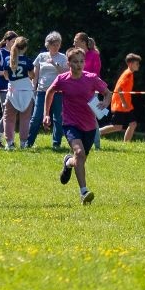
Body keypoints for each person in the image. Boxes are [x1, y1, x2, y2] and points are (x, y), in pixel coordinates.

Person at [43, 47, 110, 205]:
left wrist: (105, 103)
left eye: (81, 61)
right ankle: (84, 192)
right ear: (68, 63)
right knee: (79, 153)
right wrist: (46, 114)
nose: (79, 65)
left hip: (89, 125)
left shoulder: (91, 78)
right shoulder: (62, 79)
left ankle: (68, 162)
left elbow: (107, 93)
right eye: (75, 62)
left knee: (80, 159)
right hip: (70, 123)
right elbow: (49, 92)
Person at [23, 32, 68, 149]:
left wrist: (54, 64)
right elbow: (35, 75)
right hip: (42, 91)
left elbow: (65, 73)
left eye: (58, 44)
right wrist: (33, 87)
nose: (56, 47)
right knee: (36, 117)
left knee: (58, 118)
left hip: (58, 92)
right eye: (54, 44)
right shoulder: (41, 56)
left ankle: (56, 144)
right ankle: (28, 143)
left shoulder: (63, 57)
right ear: (48, 45)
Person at [1, 36, 33, 150]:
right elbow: (32, 75)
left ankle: (9, 143)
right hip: (26, 91)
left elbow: (6, 76)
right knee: (25, 118)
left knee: (8, 118)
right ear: (25, 48)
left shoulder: (7, 59)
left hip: (13, 91)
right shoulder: (28, 60)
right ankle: (23, 143)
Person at [100, 53, 140, 142]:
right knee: (117, 126)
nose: (138, 65)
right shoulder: (127, 74)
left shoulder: (130, 74)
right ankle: (96, 133)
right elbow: (119, 89)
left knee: (133, 124)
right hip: (121, 105)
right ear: (130, 64)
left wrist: (126, 103)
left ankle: (126, 144)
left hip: (126, 105)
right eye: (137, 63)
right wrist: (124, 102)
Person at [0, 31, 17, 148]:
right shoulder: (0, 53)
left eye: (16, 41)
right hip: (4, 86)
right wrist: (5, 73)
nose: (15, 44)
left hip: (15, 86)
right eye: (13, 41)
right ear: (6, 41)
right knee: (6, 113)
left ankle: (10, 140)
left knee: (12, 114)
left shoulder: (16, 52)